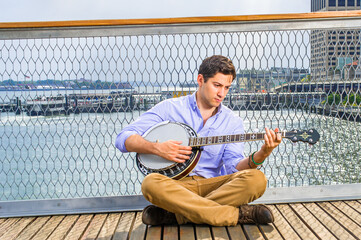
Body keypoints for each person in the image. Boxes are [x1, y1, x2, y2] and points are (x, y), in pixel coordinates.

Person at [115, 55, 282, 226]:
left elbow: (234, 167)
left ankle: (177, 214)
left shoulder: (233, 121)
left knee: (257, 179)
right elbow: (123, 139)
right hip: (178, 186)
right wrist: (157, 148)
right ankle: (235, 215)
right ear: (200, 80)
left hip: (215, 186)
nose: (221, 93)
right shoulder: (169, 108)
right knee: (150, 184)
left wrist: (262, 154)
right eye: (217, 85)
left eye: (226, 87)